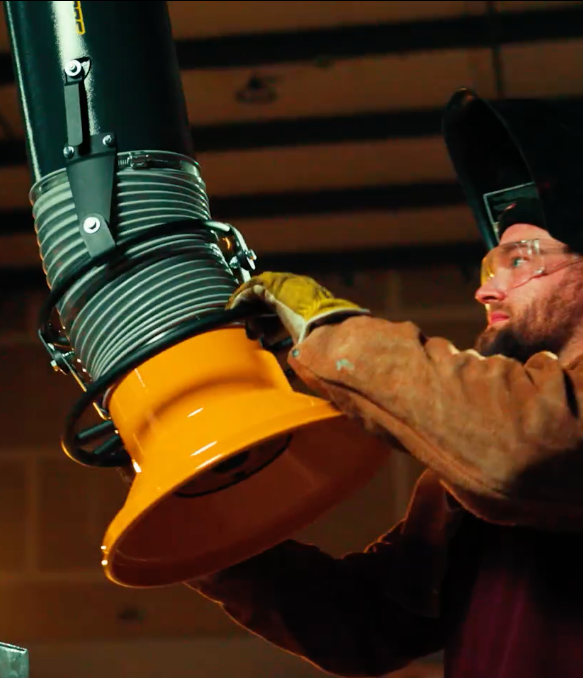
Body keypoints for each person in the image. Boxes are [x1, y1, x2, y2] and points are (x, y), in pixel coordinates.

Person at [187, 88, 583, 677]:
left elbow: (524, 451)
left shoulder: (522, 440)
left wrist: (330, 331)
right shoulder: (464, 474)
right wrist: (201, 515)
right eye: (488, 265)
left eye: (520, 260)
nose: (486, 290)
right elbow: (367, 619)